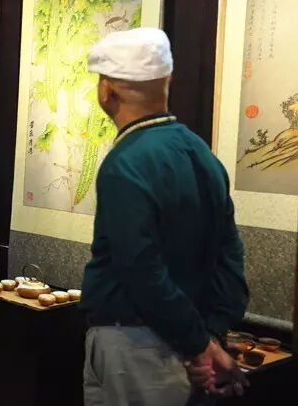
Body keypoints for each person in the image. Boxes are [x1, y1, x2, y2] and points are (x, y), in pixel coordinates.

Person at [79, 27, 250, 405]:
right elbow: (231, 257)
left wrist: (199, 344)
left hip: (135, 346)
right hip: (190, 342)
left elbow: (141, 269)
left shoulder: (124, 163)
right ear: (167, 81)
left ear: (107, 91)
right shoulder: (202, 153)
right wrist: (210, 336)